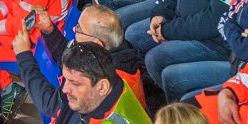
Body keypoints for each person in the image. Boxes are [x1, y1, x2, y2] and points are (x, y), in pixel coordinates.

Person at [32, 4, 146, 105]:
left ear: (96, 43)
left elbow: (55, 106)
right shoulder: (112, 54)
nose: (74, 29)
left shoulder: (102, 83)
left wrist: (25, 57)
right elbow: (66, 53)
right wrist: (49, 30)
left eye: (79, 29)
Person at [16, 41, 151, 124]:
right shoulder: (107, 84)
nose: (65, 89)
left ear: (102, 87)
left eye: (75, 83)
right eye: (66, 79)